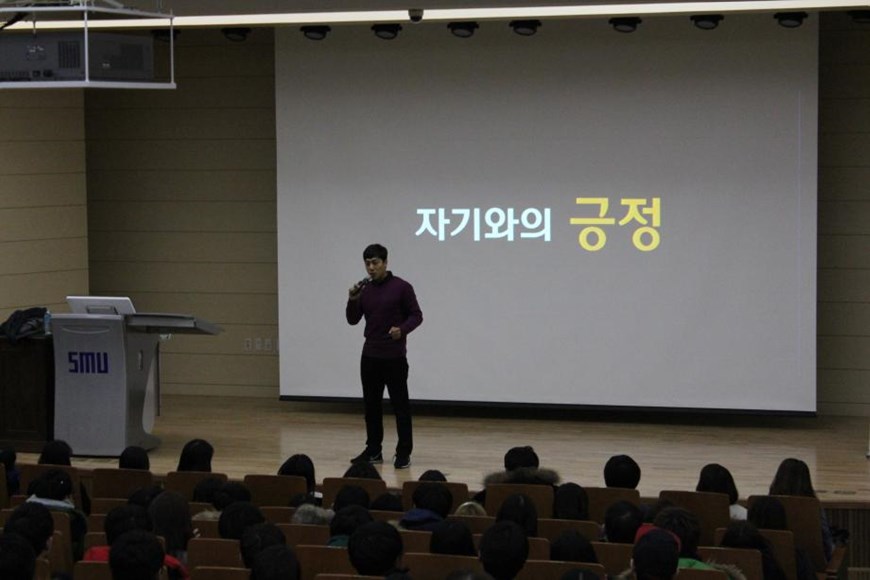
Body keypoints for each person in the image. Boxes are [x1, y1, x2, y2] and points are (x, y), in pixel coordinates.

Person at [346, 243, 423, 470]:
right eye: (367, 263)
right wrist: (352, 299)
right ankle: (373, 450)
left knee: (400, 406)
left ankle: (403, 452)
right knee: (371, 406)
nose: (371, 268)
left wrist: (402, 329)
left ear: (385, 262)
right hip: (370, 355)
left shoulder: (402, 287)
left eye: (375, 263)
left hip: (394, 357)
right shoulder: (364, 289)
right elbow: (352, 320)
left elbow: (417, 315)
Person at [769, 457, 833, 561]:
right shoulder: (812, 506)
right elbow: (825, 539)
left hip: (775, 561)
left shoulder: (766, 505)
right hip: (813, 563)